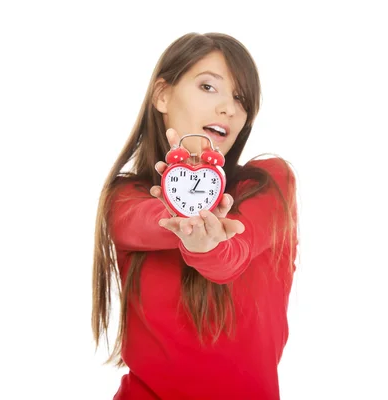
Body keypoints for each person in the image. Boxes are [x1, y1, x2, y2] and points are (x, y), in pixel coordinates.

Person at [92, 32, 300, 399]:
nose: (228, 108)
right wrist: (186, 204)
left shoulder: (268, 184)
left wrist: (208, 244)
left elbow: (231, 253)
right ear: (162, 95)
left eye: (241, 98)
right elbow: (146, 222)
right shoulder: (124, 198)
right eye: (209, 87)